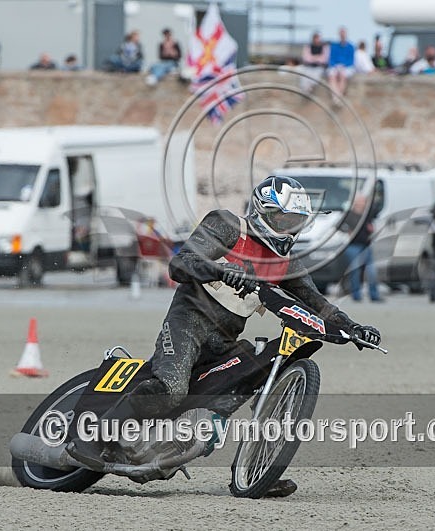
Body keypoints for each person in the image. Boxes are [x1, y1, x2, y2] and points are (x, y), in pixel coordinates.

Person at [66, 176, 381, 494]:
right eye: (282, 219)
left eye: (295, 222)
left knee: (242, 381)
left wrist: (353, 328)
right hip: (188, 322)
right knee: (172, 389)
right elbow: (181, 263)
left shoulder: (286, 262)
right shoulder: (228, 225)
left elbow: (319, 305)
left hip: (225, 339)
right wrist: (220, 270)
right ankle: (93, 437)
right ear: (263, 212)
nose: (288, 228)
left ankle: (256, 474)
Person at [340, 193, 382, 302]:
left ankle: (374, 295)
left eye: (363, 202)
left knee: (371, 272)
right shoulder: (349, 215)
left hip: (366, 246)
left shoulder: (367, 214)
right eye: (360, 202)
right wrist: (348, 231)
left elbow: (372, 224)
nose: (361, 204)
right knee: (355, 271)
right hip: (353, 246)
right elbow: (339, 226)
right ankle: (356, 295)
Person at [327, 27, 355, 103]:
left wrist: (343, 66)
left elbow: (351, 61)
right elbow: (331, 59)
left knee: (343, 75)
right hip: (335, 66)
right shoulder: (334, 46)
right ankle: (336, 97)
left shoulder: (351, 47)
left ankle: (338, 97)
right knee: (332, 76)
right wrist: (336, 67)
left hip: (346, 67)